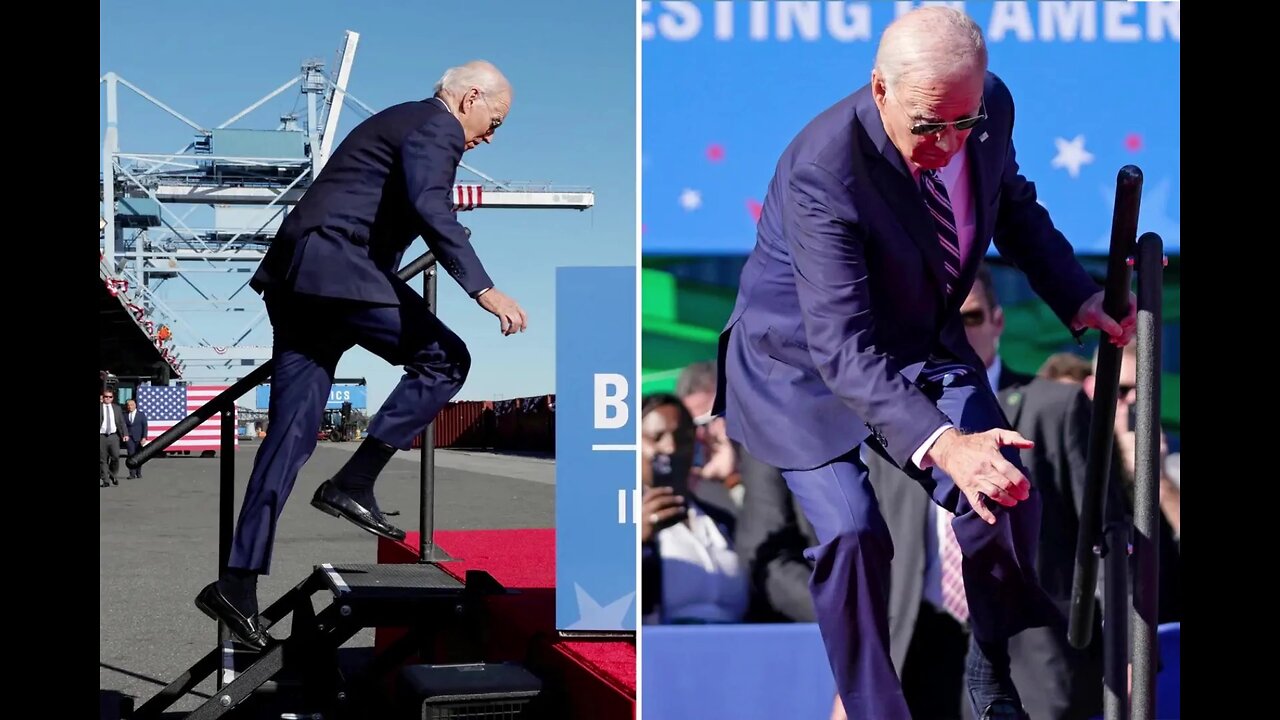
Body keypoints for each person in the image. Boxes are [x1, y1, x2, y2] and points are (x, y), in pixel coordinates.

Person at [711, 8, 1136, 720]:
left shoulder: (987, 106)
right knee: (852, 532)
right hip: (801, 364)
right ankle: (875, 708)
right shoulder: (824, 166)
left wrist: (1080, 295)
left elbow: (1012, 206)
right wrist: (946, 447)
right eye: (928, 125)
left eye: (962, 124)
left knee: (1003, 487)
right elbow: (842, 346)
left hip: (916, 341)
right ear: (880, 91)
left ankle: (991, 667)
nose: (947, 143)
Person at [194, 60, 528, 651]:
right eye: (493, 120)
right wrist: (483, 287)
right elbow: (431, 206)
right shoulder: (436, 125)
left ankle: (235, 585)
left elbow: (404, 200)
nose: (490, 136)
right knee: (446, 360)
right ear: (470, 97)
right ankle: (355, 479)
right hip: (337, 266)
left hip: (301, 279)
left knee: (292, 435)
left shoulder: (401, 123)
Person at [100, 389, 128, 488]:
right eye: (106, 397)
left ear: (113, 398)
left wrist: (125, 434)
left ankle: (112, 475)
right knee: (102, 460)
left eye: (110, 397)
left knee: (115, 457)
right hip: (102, 436)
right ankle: (105, 480)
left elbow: (121, 422)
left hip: (113, 436)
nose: (107, 398)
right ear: (102, 397)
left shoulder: (117, 408)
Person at [124, 398, 149, 479]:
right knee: (131, 455)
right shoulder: (124, 415)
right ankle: (132, 473)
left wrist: (144, 437)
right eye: (128, 405)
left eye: (131, 405)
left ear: (135, 405)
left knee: (139, 456)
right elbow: (123, 426)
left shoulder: (141, 415)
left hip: (139, 438)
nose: (129, 407)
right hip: (129, 438)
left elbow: (145, 427)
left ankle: (138, 472)